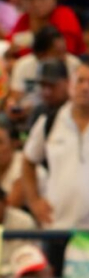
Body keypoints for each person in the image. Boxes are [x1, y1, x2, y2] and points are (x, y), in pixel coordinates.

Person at [23, 60, 89, 230]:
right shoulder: (50, 122)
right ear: (70, 85)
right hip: (57, 226)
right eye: (80, 81)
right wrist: (34, 202)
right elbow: (28, 161)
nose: (85, 88)